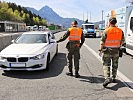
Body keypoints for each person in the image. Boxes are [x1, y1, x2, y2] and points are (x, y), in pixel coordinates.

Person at [99, 17, 125, 87]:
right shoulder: (120, 31)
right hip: (116, 51)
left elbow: (102, 42)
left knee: (106, 64)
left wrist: (100, 50)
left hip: (107, 51)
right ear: (115, 22)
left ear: (109, 22)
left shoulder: (106, 31)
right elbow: (123, 42)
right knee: (115, 65)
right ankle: (113, 78)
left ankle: (107, 78)